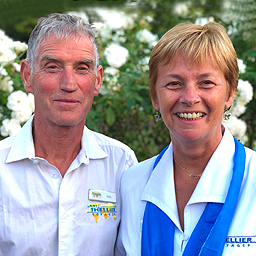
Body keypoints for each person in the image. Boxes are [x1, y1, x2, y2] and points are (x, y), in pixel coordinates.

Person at [0, 13, 137, 256]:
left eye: (82, 68)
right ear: (26, 76)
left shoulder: (121, 164)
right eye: (53, 67)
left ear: (97, 81)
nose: (69, 83)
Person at [115, 22, 256, 256]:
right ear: (155, 97)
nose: (190, 98)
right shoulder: (132, 184)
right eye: (174, 84)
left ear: (230, 93)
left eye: (206, 83)